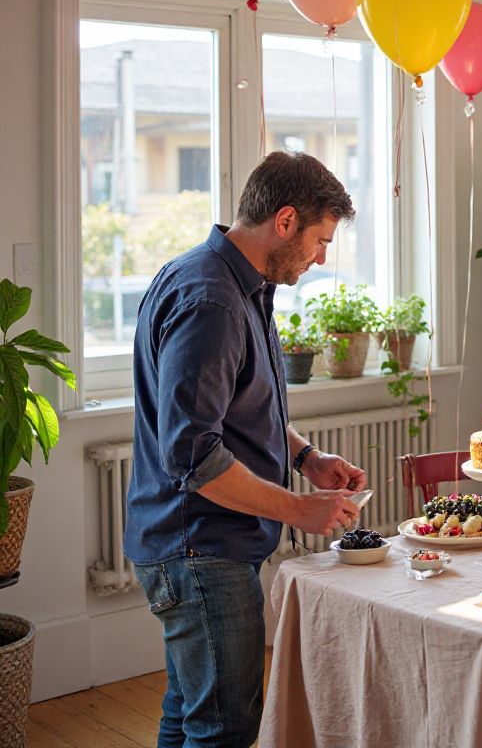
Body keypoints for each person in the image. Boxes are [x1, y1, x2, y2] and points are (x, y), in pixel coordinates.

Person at [125, 151, 367, 748]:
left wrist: (307, 458)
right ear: (284, 221)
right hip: (199, 548)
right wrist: (298, 508)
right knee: (225, 730)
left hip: (199, 545)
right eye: (319, 240)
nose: (321, 257)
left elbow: (238, 407)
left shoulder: (235, 284)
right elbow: (195, 456)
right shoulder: (212, 301)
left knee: (188, 715)